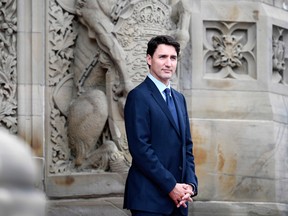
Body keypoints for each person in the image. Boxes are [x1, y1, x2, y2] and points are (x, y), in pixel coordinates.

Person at [123, 35, 198, 216]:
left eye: (173, 58)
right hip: (149, 200)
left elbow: (186, 146)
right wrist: (171, 186)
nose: (168, 63)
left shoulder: (179, 99)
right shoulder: (138, 96)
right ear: (149, 59)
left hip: (179, 201)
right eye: (162, 57)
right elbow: (141, 150)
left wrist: (190, 184)